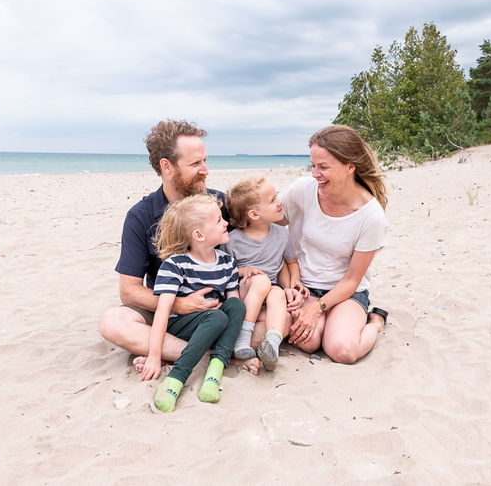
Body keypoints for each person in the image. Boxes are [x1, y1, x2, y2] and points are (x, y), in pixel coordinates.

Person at [98, 119, 260, 375]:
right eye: (195, 164)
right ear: (167, 166)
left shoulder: (219, 203)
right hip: (168, 309)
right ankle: (208, 356)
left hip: (222, 301)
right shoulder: (140, 215)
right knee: (112, 323)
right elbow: (129, 292)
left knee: (269, 304)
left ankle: (182, 350)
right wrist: (178, 304)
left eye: (205, 161)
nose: (205, 170)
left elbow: (264, 230)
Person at [282, 125, 390, 364]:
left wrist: (316, 308)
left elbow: (352, 280)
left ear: (350, 167)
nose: (314, 174)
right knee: (307, 341)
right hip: (306, 288)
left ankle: (376, 323)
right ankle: (324, 324)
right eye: (313, 165)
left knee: (342, 351)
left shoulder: (371, 216)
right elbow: (268, 224)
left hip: (346, 294)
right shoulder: (302, 190)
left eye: (323, 167)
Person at [140, 194, 246, 412]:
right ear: (198, 235)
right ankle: (176, 379)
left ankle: (215, 369)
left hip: (214, 322)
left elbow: (232, 302)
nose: (226, 223)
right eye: (218, 221)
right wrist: (154, 356)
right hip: (181, 324)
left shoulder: (227, 263)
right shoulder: (176, 264)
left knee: (236, 306)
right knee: (217, 317)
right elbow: (162, 311)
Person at [223, 176, 307, 371]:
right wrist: (242, 271)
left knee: (277, 293)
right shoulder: (233, 240)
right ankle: (243, 338)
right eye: (272, 200)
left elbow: (291, 261)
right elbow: (224, 271)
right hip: (245, 288)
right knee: (261, 282)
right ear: (254, 214)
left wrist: (294, 281)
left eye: (276, 196)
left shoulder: (282, 235)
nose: (280, 202)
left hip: (269, 290)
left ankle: (272, 343)